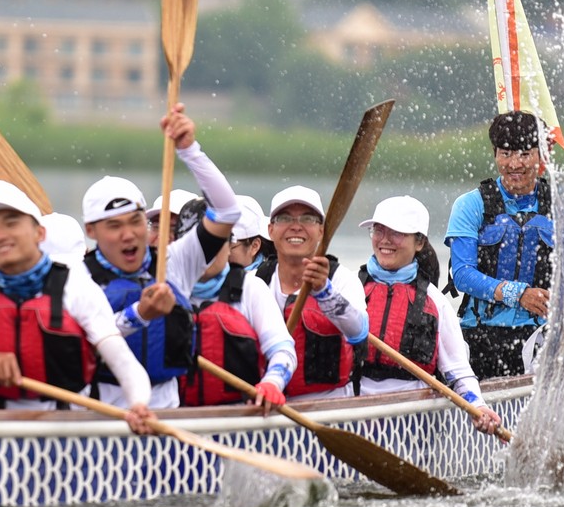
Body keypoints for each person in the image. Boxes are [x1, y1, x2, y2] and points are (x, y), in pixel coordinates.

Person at [0, 178, 156, 432]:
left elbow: (125, 364)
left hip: (66, 432)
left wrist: (138, 405)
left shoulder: (76, 284)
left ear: (39, 233)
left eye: (11, 223)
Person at [81, 104, 240, 410]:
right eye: (114, 226)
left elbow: (227, 211)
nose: (129, 234)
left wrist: (189, 149)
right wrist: (139, 313)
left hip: (166, 410)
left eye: (135, 221)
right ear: (91, 230)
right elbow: (85, 342)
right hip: (102, 413)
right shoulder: (78, 277)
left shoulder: (175, 262)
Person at [445, 111, 564, 379]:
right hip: (478, 335)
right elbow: (463, 276)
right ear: (495, 154)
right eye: (505, 153)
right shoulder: (470, 205)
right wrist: (519, 294)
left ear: (542, 157)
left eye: (525, 154)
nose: (514, 163)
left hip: (544, 335)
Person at [355, 195, 503, 434]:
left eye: (396, 233)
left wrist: (478, 405)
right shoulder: (350, 289)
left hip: (412, 421)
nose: (385, 240)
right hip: (353, 412)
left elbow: (458, 371)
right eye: (379, 230)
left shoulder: (435, 300)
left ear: (420, 242)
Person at [181, 195, 296, 409]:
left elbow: (283, 351)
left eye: (215, 243)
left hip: (241, 415)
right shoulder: (163, 289)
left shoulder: (251, 289)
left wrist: (272, 383)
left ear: (228, 245)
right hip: (172, 416)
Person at [254, 185, 368, 400]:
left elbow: (358, 331)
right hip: (266, 402)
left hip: (328, 405)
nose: (296, 227)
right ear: (270, 230)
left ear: (321, 231)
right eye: (285, 219)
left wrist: (325, 292)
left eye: (307, 219)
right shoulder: (255, 282)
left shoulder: (342, 279)